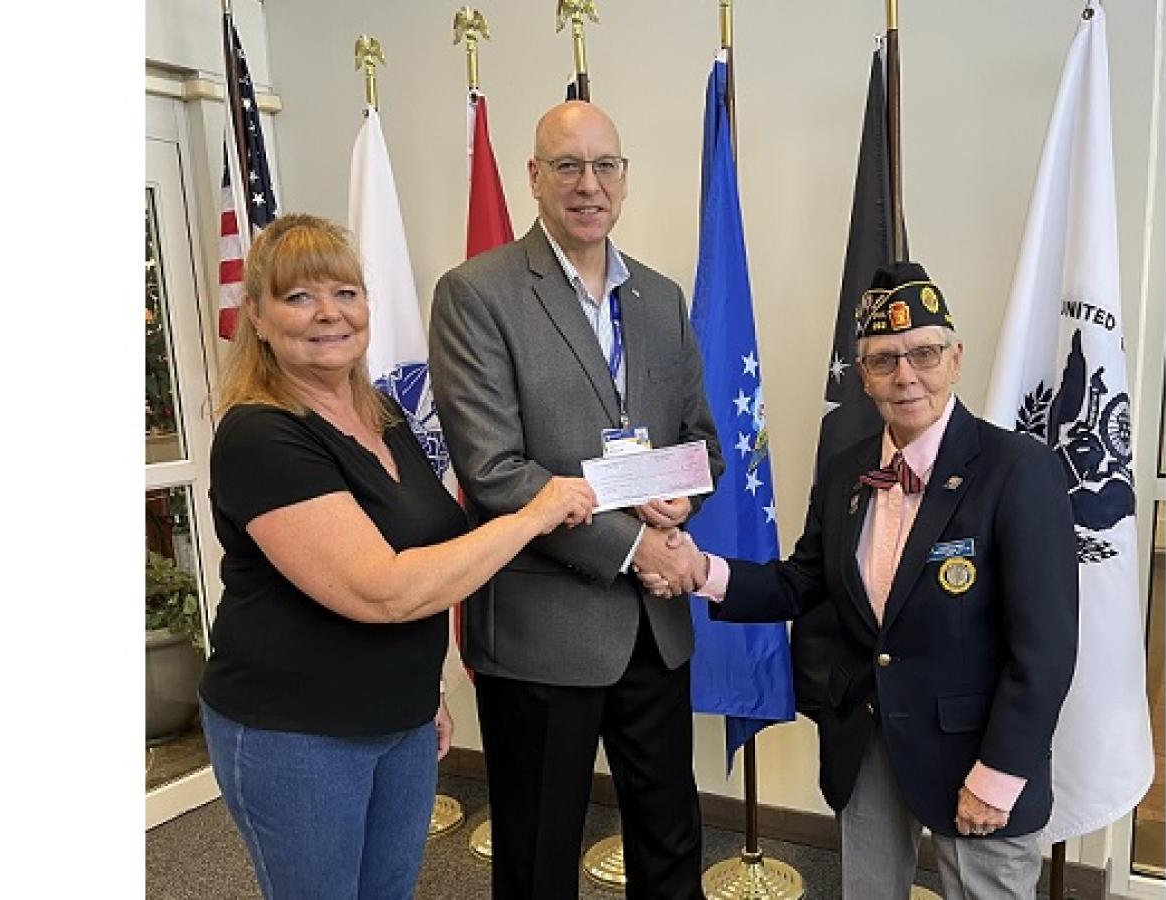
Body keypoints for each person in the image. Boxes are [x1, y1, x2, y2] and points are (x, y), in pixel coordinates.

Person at [642, 261, 1079, 900]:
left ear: (956, 358)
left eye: (923, 354)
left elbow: (1045, 647)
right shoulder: (848, 469)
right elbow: (802, 581)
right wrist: (699, 571)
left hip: (977, 751)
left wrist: (1003, 769)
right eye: (883, 360)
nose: (906, 376)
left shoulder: (1019, 470)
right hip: (869, 740)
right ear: (863, 376)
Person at [198, 213, 597, 900]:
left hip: (401, 718)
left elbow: (430, 549)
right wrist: (534, 515)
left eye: (345, 293)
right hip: (298, 734)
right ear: (257, 317)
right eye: (299, 297)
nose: (329, 314)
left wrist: (431, 685)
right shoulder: (260, 436)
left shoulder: (383, 413)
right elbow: (385, 590)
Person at [427, 100, 722, 900]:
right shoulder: (477, 294)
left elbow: (702, 442)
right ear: (534, 176)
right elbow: (492, 471)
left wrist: (679, 501)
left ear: (624, 179)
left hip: (653, 629)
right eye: (568, 166)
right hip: (540, 630)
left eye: (605, 166)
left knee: (670, 839)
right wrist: (636, 545)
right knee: (538, 854)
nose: (588, 185)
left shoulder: (661, 299)